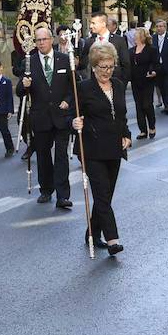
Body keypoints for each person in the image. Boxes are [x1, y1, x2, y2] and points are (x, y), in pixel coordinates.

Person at [72, 43, 131, 256]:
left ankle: (92, 231)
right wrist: (75, 122)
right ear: (94, 67)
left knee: (105, 195)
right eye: (103, 67)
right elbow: (72, 111)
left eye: (110, 66)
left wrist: (127, 135)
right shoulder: (84, 88)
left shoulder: (118, 84)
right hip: (92, 149)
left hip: (114, 147)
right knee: (102, 194)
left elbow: (121, 115)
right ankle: (112, 239)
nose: (107, 71)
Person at [16, 27, 73, 207]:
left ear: (51, 40)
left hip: (61, 116)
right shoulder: (29, 62)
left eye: (44, 39)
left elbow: (74, 86)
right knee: (43, 156)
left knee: (62, 156)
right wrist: (24, 85)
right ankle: (46, 190)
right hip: (40, 117)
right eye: (38, 40)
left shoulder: (64, 59)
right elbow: (20, 91)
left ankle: (63, 195)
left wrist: (67, 101)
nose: (41, 43)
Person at [78, 13, 131, 84]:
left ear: (103, 24)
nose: (91, 26)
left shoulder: (119, 40)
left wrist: (122, 84)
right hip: (95, 85)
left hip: (115, 83)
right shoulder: (89, 41)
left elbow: (126, 64)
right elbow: (83, 63)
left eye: (93, 23)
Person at [129, 27, 158, 139]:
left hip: (147, 80)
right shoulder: (131, 50)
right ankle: (143, 130)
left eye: (136, 34)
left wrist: (154, 71)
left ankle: (152, 126)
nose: (134, 36)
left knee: (147, 105)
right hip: (136, 81)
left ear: (142, 36)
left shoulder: (152, 49)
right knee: (138, 106)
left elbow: (156, 63)